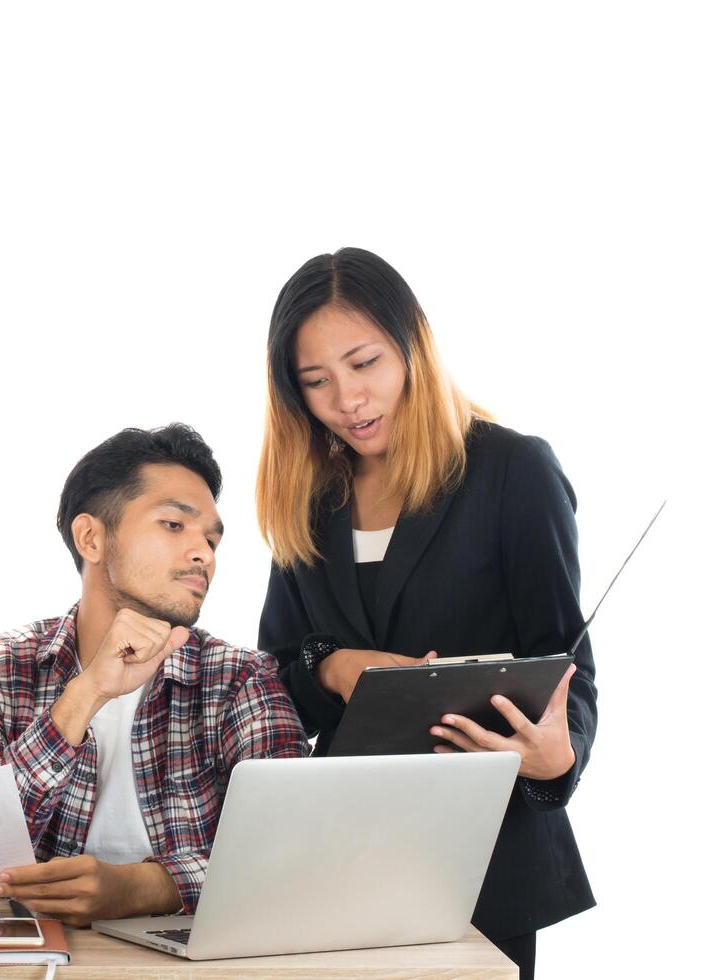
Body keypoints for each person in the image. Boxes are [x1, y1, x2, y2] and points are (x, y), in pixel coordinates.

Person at [255, 247, 597, 978]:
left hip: (483, 853)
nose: (346, 398)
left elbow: (566, 668)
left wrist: (553, 763)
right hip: (341, 855)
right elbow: (271, 682)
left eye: (363, 363)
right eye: (315, 381)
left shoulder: (512, 471)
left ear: (412, 344)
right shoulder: (309, 502)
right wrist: (338, 668)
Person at [0, 424, 308, 926]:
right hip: (34, 959)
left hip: (196, 960)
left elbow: (295, 853)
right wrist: (84, 696)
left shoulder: (242, 679)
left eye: (211, 538)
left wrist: (140, 888)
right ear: (91, 537)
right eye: (175, 525)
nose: (204, 554)